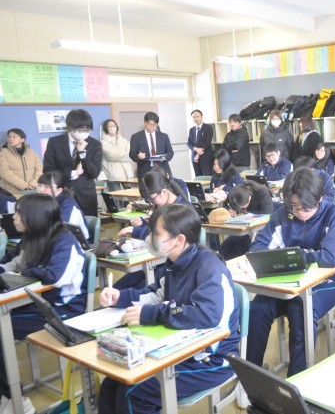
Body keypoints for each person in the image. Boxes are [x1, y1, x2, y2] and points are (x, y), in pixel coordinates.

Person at [98, 204, 239, 414]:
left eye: (156, 234)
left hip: (213, 360)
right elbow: (157, 294)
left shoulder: (209, 267)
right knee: (112, 382)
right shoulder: (174, 262)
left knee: (133, 392)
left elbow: (206, 314)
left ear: (179, 240)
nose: (150, 238)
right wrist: (120, 297)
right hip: (182, 348)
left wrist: (152, 314)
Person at [246, 167, 335, 377]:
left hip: (327, 282)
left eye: (305, 208)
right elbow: (258, 249)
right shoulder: (283, 214)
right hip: (286, 283)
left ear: (320, 198)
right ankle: (250, 375)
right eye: (294, 207)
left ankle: (296, 381)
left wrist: (293, 256)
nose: (299, 213)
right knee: (257, 309)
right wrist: (295, 258)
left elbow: (330, 258)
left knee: (300, 309)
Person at [0, 193, 86, 414]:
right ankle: (7, 393)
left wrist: (28, 271)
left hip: (60, 310)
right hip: (36, 302)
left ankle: (16, 399)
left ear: (33, 216)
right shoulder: (31, 237)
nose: (13, 218)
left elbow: (54, 276)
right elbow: (13, 263)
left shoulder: (64, 240)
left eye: (18, 213)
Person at [116, 170, 193, 289]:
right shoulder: (163, 207)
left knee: (134, 290)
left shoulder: (182, 210)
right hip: (158, 260)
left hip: (171, 264)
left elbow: (164, 237)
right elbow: (156, 229)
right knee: (118, 287)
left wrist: (136, 231)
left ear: (164, 192)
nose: (151, 203)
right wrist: (142, 224)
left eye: (152, 199)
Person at [43, 109, 103, 216]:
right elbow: (48, 170)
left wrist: (82, 153)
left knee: (88, 223)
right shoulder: (55, 142)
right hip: (61, 194)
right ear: (70, 127)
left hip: (86, 195)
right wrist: (73, 173)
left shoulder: (95, 144)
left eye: (87, 130)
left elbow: (94, 173)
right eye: (80, 130)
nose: (84, 133)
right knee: (63, 223)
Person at [219, 180, 274, 260]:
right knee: (226, 247)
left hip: (262, 226)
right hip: (243, 225)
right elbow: (225, 205)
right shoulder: (235, 193)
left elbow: (268, 214)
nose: (242, 209)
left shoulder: (262, 193)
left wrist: (251, 217)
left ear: (250, 198)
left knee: (245, 242)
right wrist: (229, 210)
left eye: (244, 207)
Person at [37, 171, 90, 240]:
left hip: (76, 242)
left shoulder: (68, 205)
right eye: (39, 185)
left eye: (46, 186)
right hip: (53, 238)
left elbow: (63, 231)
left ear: (59, 190)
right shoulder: (44, 201)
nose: (41, 190)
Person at [129, 112, 174, 180]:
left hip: (162, 169)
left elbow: (170, 152)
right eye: (149, 124)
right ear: (145, 123)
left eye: (154, 125)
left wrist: (164, 157)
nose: (151, 127)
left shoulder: (164, 136)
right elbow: (132, 154)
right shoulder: (136, 137)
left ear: (157, 124)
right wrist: (138, 157)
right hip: (145, 171)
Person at [0, 128, 43, 197]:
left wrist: (33, 183)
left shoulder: (32, 152)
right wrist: (24, 185)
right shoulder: (3, 152)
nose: (11, 139)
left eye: (14, 136)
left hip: (32, 189)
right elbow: (4, 172)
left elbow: (39, 169)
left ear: (22, 139)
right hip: (11, 191)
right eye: (9, 137)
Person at [100, 119, 134, 191]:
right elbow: (111, 156)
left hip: (127, 173)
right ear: (106, 128)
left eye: (114, 125)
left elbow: (130, 154)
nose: (113, 128)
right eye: (110, 126)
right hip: (113, 175)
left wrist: (118, 154)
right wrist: (124, 154)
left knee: (130, 195)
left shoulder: (123, 140)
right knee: (116, 196)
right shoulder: (102, 142)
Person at [187, 109, 214, 177]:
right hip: (194, 158)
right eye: (194, 117)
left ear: (202, 117)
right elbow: (189, 143)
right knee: (198, 177)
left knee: (207, 177)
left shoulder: (208, 127)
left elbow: (207, 142)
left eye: (198, 116)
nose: (196, 118)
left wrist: (198, 154)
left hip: (205, 157)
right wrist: (195, 149)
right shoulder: (191, 130)